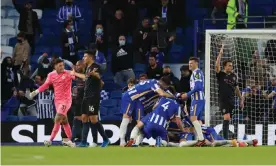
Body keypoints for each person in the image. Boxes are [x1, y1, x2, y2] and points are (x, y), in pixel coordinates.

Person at [30, 59, 75, 147]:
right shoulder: (51, 75)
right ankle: (70, 141)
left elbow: (75, 77)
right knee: (64, 121)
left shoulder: (67, 73)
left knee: (57, 118)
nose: (62, 67)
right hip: (57, 101)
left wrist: (74, 72)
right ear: (55, 67)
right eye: (60, 65)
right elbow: (45, 85)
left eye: (63, 65)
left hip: (66, 100)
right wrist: (36, 92)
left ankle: (50, 140)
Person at [119, 77, 174, 146]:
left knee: (139, 122)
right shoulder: (154, 83)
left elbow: (169, 93)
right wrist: (173, 97)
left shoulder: (159, 84)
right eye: (166, 86)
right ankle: (122, 141)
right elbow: (162, 93)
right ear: (162, 83)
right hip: (130, 96)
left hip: (138, 100)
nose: (166, 87)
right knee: (126, 118)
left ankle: (136, 142)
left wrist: (176, 95)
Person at [72, 50, 109, 148]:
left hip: (93, 97)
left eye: (85, 56)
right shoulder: (87, 68)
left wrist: (95, 75)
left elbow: (98, 77)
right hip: (85, 96)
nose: (83, 58)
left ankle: (105, 139)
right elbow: (86, 78)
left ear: (90, 58)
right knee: (84, 118)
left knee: (93, 119)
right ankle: (83, 142)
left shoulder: (95, 66)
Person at [215, 45, 243, 140]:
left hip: (232, 100)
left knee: (229, 119)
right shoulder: (221, 74)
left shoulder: (234, 76)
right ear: (225, 66)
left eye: (232, 65)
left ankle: (227, 138)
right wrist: (220, 53)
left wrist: (241, 99)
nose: (231, 67)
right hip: (223, 100)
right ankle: (225, 140)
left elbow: (236, 88)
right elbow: (217, 66)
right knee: (226, 117)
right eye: (229, 65)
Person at [180, 57, 206, 147]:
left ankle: (202, 139)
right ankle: (200, 139)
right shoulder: (194, 73)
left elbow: (198, 86)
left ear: (196, 63)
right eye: (189, 63)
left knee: (193, 119)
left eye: (191, 63)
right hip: (198, 99)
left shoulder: (197, 73)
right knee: (197, 120)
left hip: (198, 99)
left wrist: (188, 94)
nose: (189, 65)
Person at [71, 61, 85, 142]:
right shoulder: (76, 74)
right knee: (76, 118)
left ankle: (83, 138)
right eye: (76, 65)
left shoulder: (86, 71)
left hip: (86, 98)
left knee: (85, 119)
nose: (77, 67)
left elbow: (85, 77)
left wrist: (74, 73)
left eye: (78, 65)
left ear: (82, 65)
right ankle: (74, 138)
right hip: (78, 99)